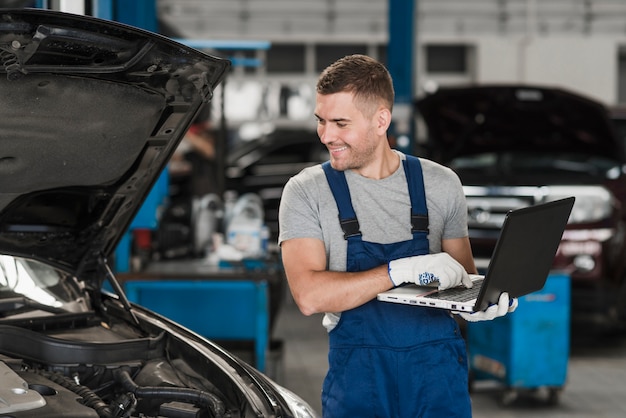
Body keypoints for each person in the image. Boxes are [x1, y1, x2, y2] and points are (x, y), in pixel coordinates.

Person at [278, 54, 517, 418]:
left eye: (341, 123)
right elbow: (309, 296)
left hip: (437, 380)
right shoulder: (306, 191)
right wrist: (396, 272)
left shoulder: (441, 184)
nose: (327, 135)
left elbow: (462, 279)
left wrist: (479, 303)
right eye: (321, 121)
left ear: (381, 120)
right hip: (360, 382)